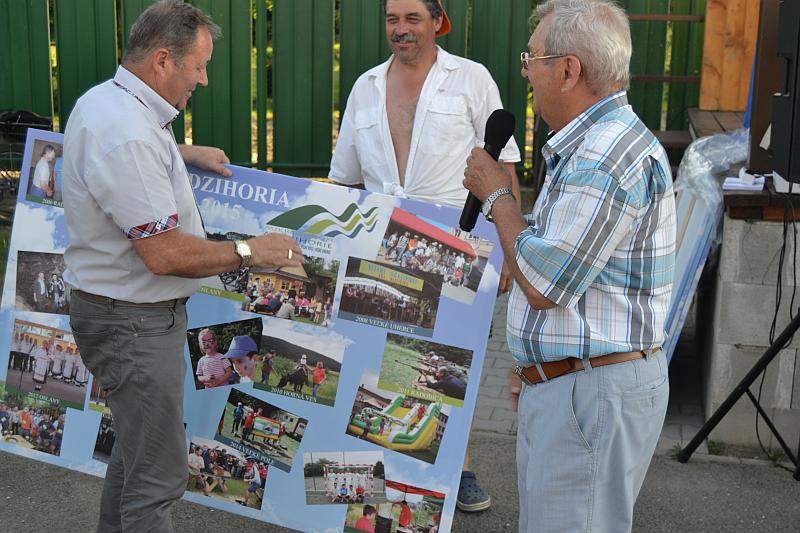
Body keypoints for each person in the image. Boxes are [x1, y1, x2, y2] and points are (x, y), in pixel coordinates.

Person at [61, 2, 304, 531]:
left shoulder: (109, 103)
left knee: (137, 456)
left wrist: (183, 154)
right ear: (163, 61)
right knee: (158, 477)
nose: (204, 79)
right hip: (132, 323)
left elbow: (127, 163)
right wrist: (251, 251)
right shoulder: (127, 132)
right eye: (200, 65)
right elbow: (165, 253)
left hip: (126, 316)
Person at [462, 1, 674, 531]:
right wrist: (533, 364)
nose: (525, 72)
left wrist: (497, 196)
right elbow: (563, 261)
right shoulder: (591, 145)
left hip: (590, 390)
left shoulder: (603, 156)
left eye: (531, 58)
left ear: (568, 69)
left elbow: (545, 283)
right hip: (577, 382)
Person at [330, 0, 511, 511]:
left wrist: (506, 251)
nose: (401, 29)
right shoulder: (365, 87)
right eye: (393, 19)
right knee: (379, 362)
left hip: (459, 248)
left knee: (451, 365)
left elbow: (504, 168)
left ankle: (460, 468)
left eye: (412, 19)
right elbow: (346, 180)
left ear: (437, 22)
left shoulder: (472, 79)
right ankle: (385, 476)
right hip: (381, 246)